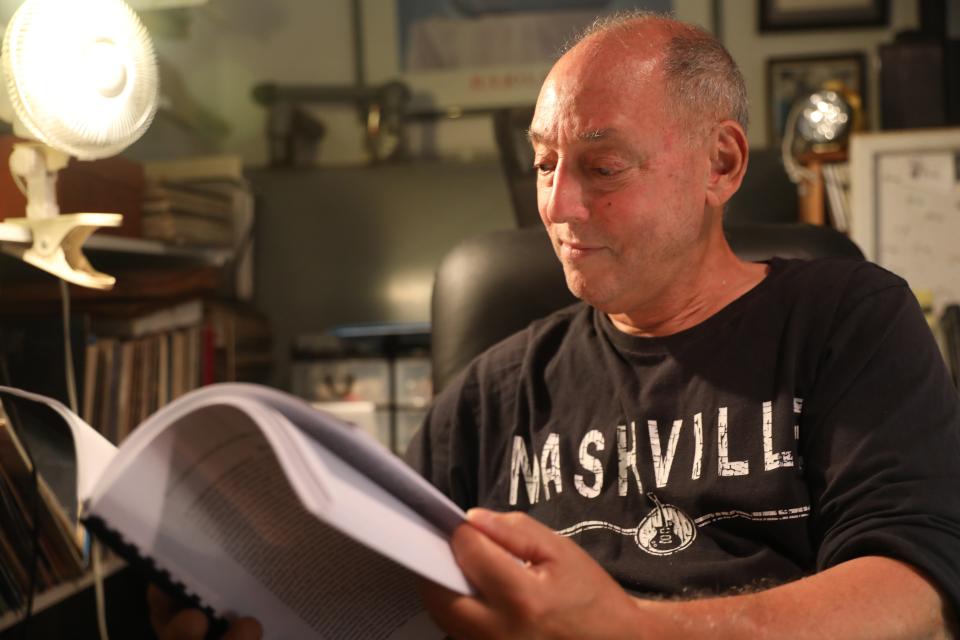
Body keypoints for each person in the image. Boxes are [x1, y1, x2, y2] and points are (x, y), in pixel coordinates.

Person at [155, 11, 960, 640]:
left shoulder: (847, 322)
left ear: (721, 165)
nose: (558, 206)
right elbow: (379, 599)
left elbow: (913, 598)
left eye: (602, 168)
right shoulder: (491, 393)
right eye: (545, 164)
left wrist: (632, 630)